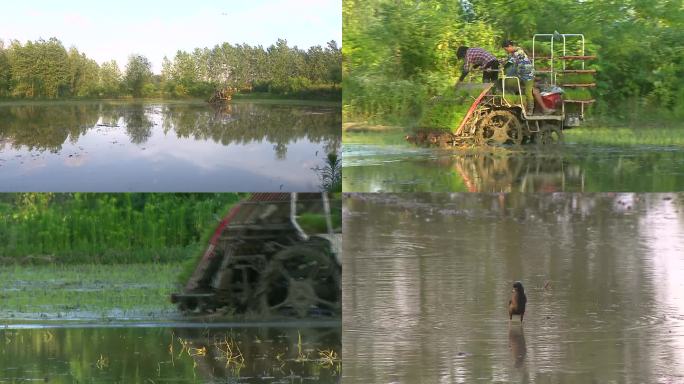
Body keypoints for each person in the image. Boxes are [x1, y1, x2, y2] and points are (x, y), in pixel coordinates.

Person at [501, 40, 554, 115]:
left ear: (510, 46)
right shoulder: (512, 53)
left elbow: (510, 62)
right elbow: (507, 59)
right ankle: (544, 109)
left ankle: (530, 110)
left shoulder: (519, 51)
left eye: (506, 49)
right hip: (521, 75)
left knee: (528, 92)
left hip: (528, 75)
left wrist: (503, 66)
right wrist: (500, 61)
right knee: (534, 91)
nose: (506, 51)